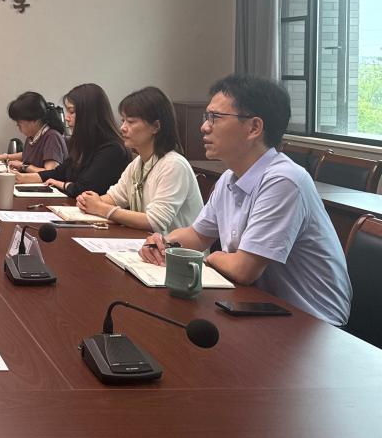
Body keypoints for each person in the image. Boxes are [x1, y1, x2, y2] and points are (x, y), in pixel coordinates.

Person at [140, 75, 351, 326]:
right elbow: (197, 235)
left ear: (254, 128)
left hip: (313, 323)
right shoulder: (229, 178)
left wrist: (210, 257)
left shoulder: (284, 181)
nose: (204, 127)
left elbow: (244, 269)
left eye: (215, 118)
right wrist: (163, 243)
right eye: (206, 117)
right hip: (257, 307)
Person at [76, 86, 203, 233]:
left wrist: (102, 208)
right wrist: (88, 201)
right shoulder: (137, 164)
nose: (123, 128)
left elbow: (154, 222)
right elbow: (114, 198)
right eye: (123, 121)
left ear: (156, 126)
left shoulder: (174, 165)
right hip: (146, 243)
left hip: (175, 247)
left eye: (130, 122)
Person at [36, 83, 130, 193]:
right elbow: (58, 173)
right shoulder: (83, 143)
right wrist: (22, 178)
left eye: (71, 111)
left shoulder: (113, 149)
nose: (66, 118)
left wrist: (62, 184)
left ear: (89, 114)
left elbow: (83, 188)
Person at [0, 91, 67, 175]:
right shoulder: (34, 135)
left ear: (34, 120)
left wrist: (24, 166)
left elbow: (50, 172)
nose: (17, 125)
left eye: (19, 121)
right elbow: (26, 155)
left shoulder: (52, 137)